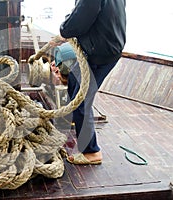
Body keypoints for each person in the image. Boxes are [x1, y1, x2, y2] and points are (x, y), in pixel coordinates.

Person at [53, 0, 127, 164]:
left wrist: (64, 29)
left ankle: (91, 152)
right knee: (73, 80)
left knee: (81, 103)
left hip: (99, 53)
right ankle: (74, 118)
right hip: (106, 47)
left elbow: (77, 23)